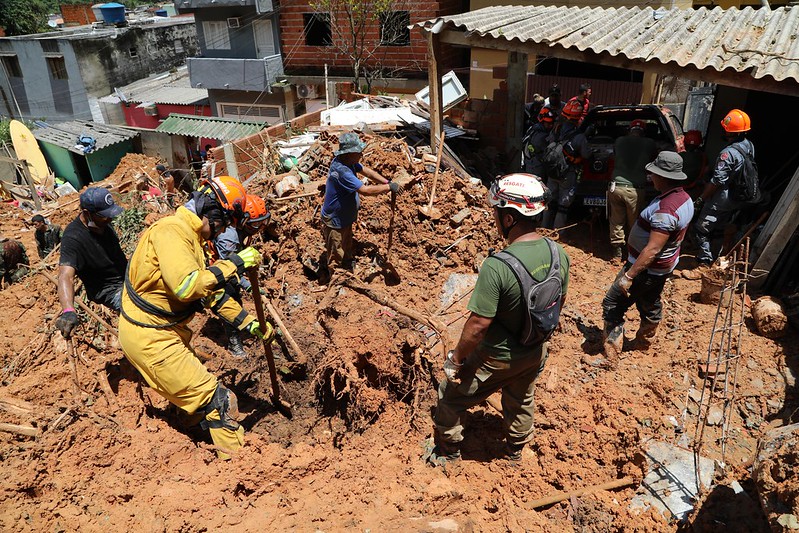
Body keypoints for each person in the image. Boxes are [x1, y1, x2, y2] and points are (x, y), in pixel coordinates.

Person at [118, 175, 274, 460]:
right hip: (151, 338)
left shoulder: (190, 238)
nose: (222, 231)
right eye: (223, 223)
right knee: (220, 400)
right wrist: (236, 262)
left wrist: (248, 323)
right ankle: (241, 466)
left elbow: (211, 295)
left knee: (192, 397)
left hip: (165, 332)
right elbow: (187, 286)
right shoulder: (171, 232)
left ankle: (194, 432)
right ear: (211, 212)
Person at [429, 174, 570, 463]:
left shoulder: (498, 266)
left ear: (508, 219)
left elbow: (478, 326)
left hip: (497, 357)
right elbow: (559, 302)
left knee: (449, 396)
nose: (494, 218)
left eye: (496, 213)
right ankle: (515, 450)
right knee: (521, 397)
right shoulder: (559, 253)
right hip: (534, 350)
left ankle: (449, 452)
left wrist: (456, 360)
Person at [588, 152, 693, 369]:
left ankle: (611, 357)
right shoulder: (683, 198)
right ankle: (644, 343)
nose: (651, 176)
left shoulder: (666, 210)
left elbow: (653, 248)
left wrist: (629, 276)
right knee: (650, 301)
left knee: (612, 304)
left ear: (663, 177)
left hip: (646, 268)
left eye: (653, 173)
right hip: (662, 268)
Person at [320, 132, 400, 276]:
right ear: (349, 154)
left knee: (346, 241)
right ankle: (337, 276)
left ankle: (347, 262)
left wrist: (387, 182)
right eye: (359, 152)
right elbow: (365, 190)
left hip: (345, 216)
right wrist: (388, 188)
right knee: (336, 248)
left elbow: (367, 172)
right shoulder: (342, 171)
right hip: (335, 218)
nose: (361, 155)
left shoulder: (347, 162)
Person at [55, 187, 127, 339]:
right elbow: (65, 276)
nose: (109, 219)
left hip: (127, 278)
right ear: (87, 213)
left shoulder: (102, 224)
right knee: (138, 306)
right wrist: (68, 311)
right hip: (109, 290)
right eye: (104, 216)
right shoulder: (73, 238)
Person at [691, 110, 759, 267]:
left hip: (720, 200)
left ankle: (704, 261)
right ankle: (715, 257)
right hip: (736, 198)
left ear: (729, 131)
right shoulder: (749, 145)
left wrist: (701, 199)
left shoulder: (727, 154)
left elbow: (717, 181)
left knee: (702, 229)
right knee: (719, 229)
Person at [210, 194, 270, 358]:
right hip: (216, 270)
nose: (259, 227)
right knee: (230, 300)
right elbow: (229, 268)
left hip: (229, 267)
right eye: (255, 224)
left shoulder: (241, 229)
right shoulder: (228, 236)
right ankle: (234, 343)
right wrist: (246, 284)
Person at [608, 119, 657, 262]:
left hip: (616, 187)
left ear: (630, 130)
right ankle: (632, 253)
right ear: (643, 131)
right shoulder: (650, 143)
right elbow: (653, 159)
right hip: (635, 189)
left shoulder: (619, 141)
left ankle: (617, 253)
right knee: (634, 223)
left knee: (616, 220)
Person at [542, 99, 590, 230]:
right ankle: (558, 234)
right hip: (567, 173)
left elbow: (549, 143)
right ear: (578, 118)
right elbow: (586, 155)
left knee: (549, 202)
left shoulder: (556, 129)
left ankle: (543, 228)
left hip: (553, 171)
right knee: (563, 206)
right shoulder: (579, 136)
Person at [522, 107, 556, 178]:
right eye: (548, 123)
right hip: (535, 165)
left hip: (533, 162)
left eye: (551, 123)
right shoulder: (541, 135)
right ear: (542, 121)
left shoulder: (535, 127)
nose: (550, 125)